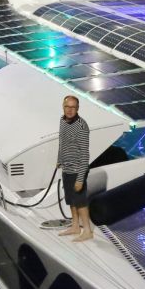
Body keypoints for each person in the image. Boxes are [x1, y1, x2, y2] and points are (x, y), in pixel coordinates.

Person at [56, 95, 93, 241]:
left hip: (78, 170)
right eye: (67, 107)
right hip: (67, 168)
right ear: (63, 107)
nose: (70, 110)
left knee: (80, 202)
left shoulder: (82, 127)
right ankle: (75, 226)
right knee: (71, 200)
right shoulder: (62, 120)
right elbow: (62, 141)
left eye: (73, 107)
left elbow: (85, 154)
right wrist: (60, 159)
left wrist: (80, 179)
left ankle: (88, 231)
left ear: (77, 108)